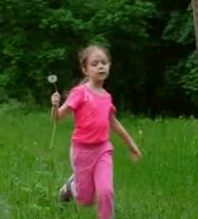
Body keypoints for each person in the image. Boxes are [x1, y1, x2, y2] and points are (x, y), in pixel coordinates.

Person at [50, 44, 142, 219]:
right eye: (95, 63)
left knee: (106, 192)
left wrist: (132, 145)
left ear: (109, 66)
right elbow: (58, 117)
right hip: (81, 151)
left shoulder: (107, 97)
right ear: (85, 69)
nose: (101, 66)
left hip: (102, 151)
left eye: (104, 62)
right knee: (86, 200)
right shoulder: (79, 93)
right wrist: (55, 106)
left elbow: (115, 124)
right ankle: (70, 187)